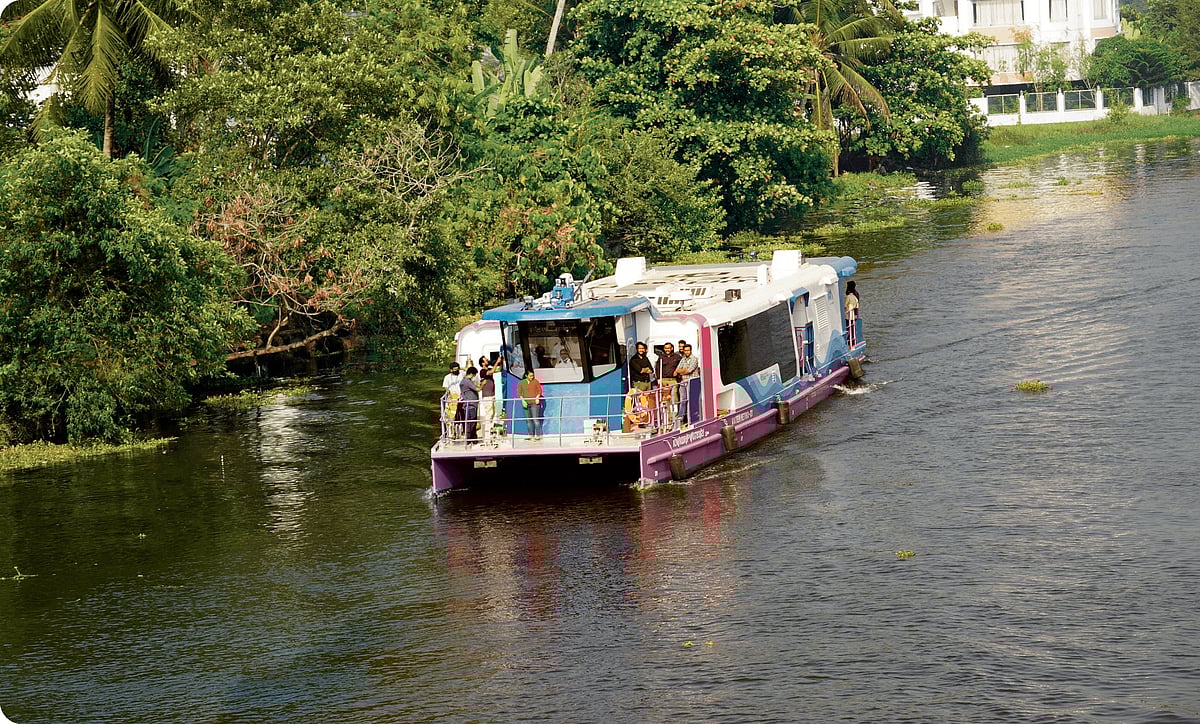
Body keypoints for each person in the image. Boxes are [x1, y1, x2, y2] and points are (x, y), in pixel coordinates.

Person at [674, 343, 701, 425]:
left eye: (688, 350)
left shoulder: (694, 359)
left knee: (692, 401)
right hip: (683, 383)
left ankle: (692, 418)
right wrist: (682, 370)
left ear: (691, 350)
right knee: (682, 400)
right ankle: (681, 416)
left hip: (692, 383)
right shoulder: (683, 359)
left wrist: (682, 371)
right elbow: (676, 370)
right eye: (685, 350)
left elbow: (689, 370)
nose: (686, 352)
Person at [517, 370, 544, 439]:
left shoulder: (535, 381)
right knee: (528, 420)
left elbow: (540, 391)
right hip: (526, 403)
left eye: (533, 376)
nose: (532, 377)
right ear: (526, 376)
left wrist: (537, 397)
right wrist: (523, 400)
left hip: (534, 403)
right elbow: (519, 392)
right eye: (530, 376)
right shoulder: (522, 382)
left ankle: (538, 435)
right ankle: (530, 435)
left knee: (535, 419)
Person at [441, 362, 464, 438]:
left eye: (457, 369)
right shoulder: (447, 377)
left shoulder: (462, 374)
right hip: (452, 399)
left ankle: (463, 430)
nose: (456, 371)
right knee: (452, 415)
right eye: (454, 370)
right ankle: (452, 431)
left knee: (462, 413)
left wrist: (461, 368)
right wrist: (449, 393)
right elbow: (446, 387)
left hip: (461, 398)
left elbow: (469, 370)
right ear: (451, 370)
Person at [478, 356, 496, 443]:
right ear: (482, 363)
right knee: (489, 415)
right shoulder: (482, 371)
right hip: (487, 396)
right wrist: (498, 361)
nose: (488, 360)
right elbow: (492, 371)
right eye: (485, 360)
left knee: (492, 414)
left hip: (492, 396)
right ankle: (487, 436)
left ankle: (490, 434)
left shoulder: (488, 368)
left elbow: (496, 370)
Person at [460, 366, 480, 441]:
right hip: (470, 404)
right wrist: (483, 384)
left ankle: (472, 437)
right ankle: (470, 438)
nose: (474, 377)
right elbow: (477, 389)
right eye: (474, 375)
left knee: (471, 422)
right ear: (471, 373)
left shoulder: (464, 381)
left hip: (470, 404)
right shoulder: (467, 381)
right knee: (471, 422)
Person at [844, 281, 861, 346]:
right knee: (852, 327)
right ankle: (852, 340)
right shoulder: (855, 295)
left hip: (849, 314)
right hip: (853, 314)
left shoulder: (849, 296)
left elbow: (845, 305)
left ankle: (849, 340)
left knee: (848, 327)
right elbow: (857, 304)